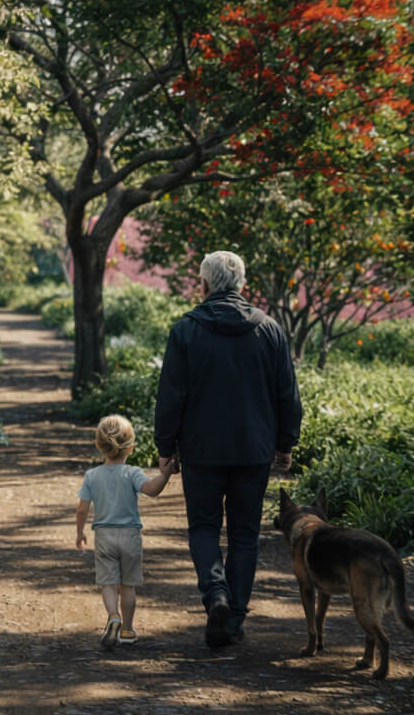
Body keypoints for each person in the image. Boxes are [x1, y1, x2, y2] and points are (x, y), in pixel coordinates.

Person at [153, 250, 302, 649]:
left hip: (202, 450)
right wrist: (285, 443)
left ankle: (216, 595)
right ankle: (233, 618)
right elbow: (287, 393)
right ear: (242, 285)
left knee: (203, 528)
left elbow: (171, 396)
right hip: (254, 452)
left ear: (203, 285)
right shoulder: (269, 329)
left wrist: (166, 446)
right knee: (244, 535)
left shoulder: (186, 330)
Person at [75, 414, 178, 650]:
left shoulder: (92, 476)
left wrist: (80, 533)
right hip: (130, 536)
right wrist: (164, 475)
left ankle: (113, 616)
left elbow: (82, 509)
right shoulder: (132, 473)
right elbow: (152, 491)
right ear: (130, 448)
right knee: (128, 586)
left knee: (109, 584)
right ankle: (128, 629)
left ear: (99, 446)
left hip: (104, 536)